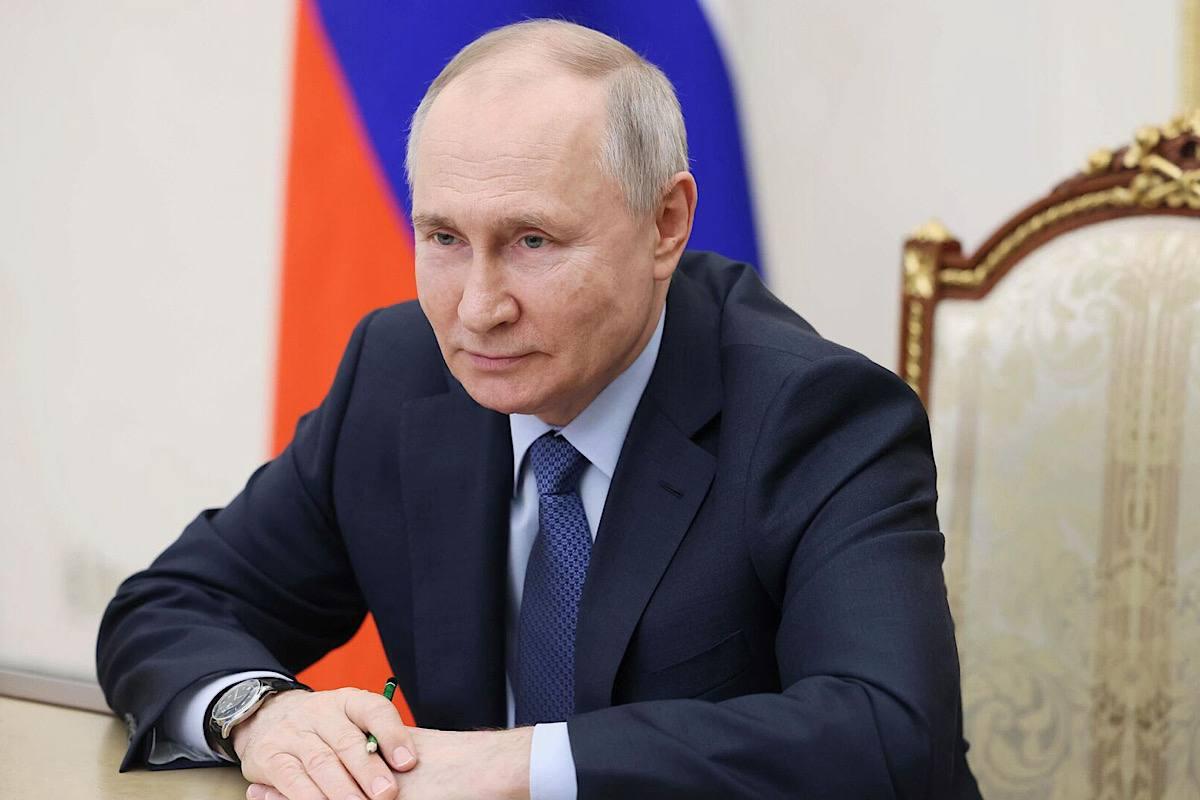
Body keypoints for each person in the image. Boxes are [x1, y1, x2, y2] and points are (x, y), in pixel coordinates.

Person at [97, 19, 980, 800]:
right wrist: (261, 712)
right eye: (444, 238)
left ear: (666, 223)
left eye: (532, 241)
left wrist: (509, 767)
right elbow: (170, 606)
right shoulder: (398, 374)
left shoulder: (815, 415)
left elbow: (887, 737)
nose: (479, 308)